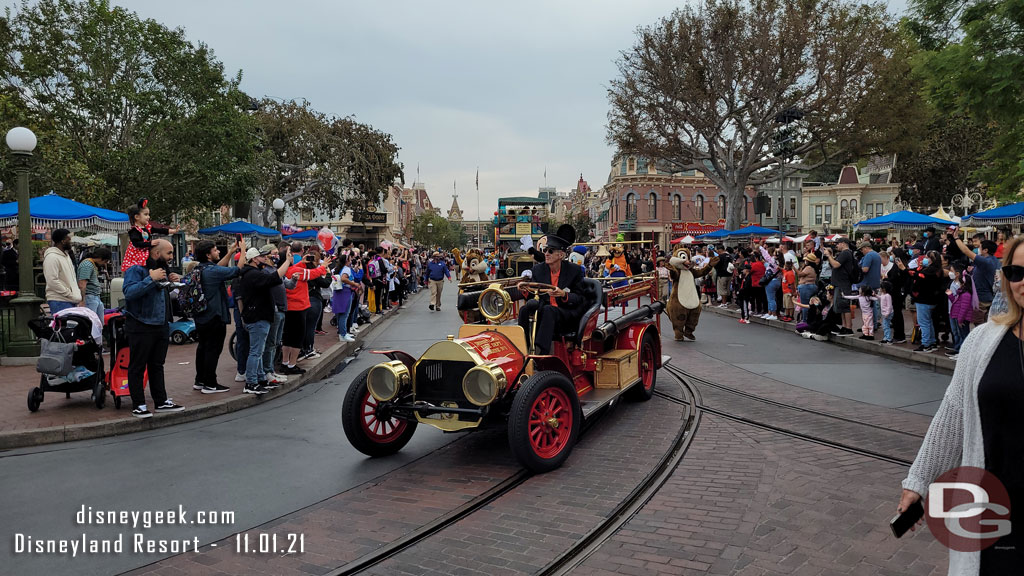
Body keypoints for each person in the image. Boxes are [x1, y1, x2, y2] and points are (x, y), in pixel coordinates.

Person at [898, 235, 1024, 575]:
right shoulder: (982, 342)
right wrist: (919, 483)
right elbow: (951, 416)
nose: (1022, 282)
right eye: (1015, 272)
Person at [122, 239, 184, 418]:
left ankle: (161, 401)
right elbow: (130, 292)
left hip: (161, 323)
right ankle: (139, 404)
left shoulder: (162, 270)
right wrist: (151, 279)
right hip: (141, 324)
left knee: (157, 365)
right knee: (138, 365)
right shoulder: (137, 269)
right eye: (169, 253)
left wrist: (172, 282)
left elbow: (161, 294)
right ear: (156, 254)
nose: (172, 257)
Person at [515, 225, 586, 355]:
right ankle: (523, 347)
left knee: (549, 310)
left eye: (550, 251)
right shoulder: (538, 269)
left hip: (565, 313)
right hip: (545, 310)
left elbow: (580, 298)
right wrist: (525, 288)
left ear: (561, 254)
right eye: (545, 250)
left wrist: (564, 294)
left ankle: (542, 352)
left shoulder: (574, 271)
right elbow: (533, 295)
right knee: (525, 310)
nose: (546, 254)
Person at [190, 239, 245, 394]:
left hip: (201, 315)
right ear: (208, 254)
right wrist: (243, 251)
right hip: (214, 315)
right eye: (215, 250)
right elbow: (237, 270)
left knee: (202, 348)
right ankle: (210, 384)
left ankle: (200, 380)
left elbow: (218, 267)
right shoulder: (212, 271)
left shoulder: (200, 268)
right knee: (213, 350)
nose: (218, 251)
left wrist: (230, 252)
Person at [237, 244, 292, 394]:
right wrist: (287, 261)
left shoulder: (251, 273)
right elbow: (274, 278)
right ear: (254, 259)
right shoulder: (253, 274)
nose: (265, 259)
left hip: (257, 316)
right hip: (257, 317)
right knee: (256, 352)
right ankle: (251, 382)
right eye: (262, 256)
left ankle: (260, 378)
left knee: (259, 351)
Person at [281, 251, 331, 374]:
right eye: (289, 255)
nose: (291, 257)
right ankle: (292, 365)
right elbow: (313, 274)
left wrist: (302, 262)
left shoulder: (287, 270)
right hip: (298, 307)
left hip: (290, 307)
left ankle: (285, 363)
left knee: (287, 337)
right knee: (297, 338)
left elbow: (299, 269)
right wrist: (323, 266)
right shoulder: (295, 271)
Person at [954, 233, 999, 325]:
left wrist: (956, 238)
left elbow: (966, 251)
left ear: (985, 250)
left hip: (981, 300)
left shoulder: (985, 261)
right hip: (988, 297)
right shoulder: (994, 260)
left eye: (980, 247)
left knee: (979, 325)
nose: (978, 248)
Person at [122, 198, 177, 272]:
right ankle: (152, 274)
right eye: (146, 214)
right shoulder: (134, 230)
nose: (148, 217)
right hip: (138, 253)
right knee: (151, 262)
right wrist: (150, 243)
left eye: (148, 214)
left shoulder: (147, 227)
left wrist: (171, 231)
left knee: (161, 261)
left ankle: (167, 273)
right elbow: (136, 243)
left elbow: (158, 230)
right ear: (137, 217)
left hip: (146, 251)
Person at [908, 251, 944, 353]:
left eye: (927, 258)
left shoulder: (929, 271)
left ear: (931, 259)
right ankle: (932, 342)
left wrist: (904, 269)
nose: (925, 259)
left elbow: (917, 276)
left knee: (923, 323)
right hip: (932, 300)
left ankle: (925, 344)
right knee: (929, 322)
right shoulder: (938, 270)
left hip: (923, 299)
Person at [43, 228, 82, 315]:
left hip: (70, 300)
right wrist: (69, 293)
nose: (71, 242)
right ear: (63, 241)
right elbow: (52, 280)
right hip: (59, 300)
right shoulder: (52, 257)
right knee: (64, 327)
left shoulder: (66, 256)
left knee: (71, 327)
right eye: (69, 239)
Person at [824, 238, 855, 335]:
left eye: (838, 244)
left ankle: (848, 328)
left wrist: (829, 255)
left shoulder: (846, 253)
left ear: (843, 244)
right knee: (841, 307)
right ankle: (844, 326)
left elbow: (836, 265)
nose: (836, 246)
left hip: (843, 283)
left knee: (844, 306)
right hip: (839, 283)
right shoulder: (843, 254)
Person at [945, 264, 974, 360]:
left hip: (960, 317)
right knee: (958, 332)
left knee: (963, 334)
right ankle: (958, 350)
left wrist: (960, 320)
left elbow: (963, 308)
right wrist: (950, 295)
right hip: (955, 313)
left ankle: (962, 352)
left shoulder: (965, 294)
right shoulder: (960, 291)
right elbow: (956, 302)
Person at [77, 247, 111, 321]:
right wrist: (82, 300)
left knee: (98, 323)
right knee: (92, 322)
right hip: (89, 297)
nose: (104, 264)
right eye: (105, 261)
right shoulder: (87, 265)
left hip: (95, 296)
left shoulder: (92, 265)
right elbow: (82, 284)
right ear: (101, 258)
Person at [858, 240, 882, 332]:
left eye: (861, 249)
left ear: (866, 248)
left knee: (866, 306)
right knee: (873, 305)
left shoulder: (868, 255)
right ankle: (873, 324)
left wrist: (858, 267)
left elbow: (865, 269)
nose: (861, 251)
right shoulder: (877, 255)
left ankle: (868, 324)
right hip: (875, 282)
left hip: (867, 283)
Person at [796, 253, 819, 323]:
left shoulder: (808, 268)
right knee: (809, 304)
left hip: (806, 287)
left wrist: (794, 268)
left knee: (805, 304)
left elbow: (800, 274)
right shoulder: (814, 268)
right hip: (811, 286)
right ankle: (808, 319)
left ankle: (804, 321)